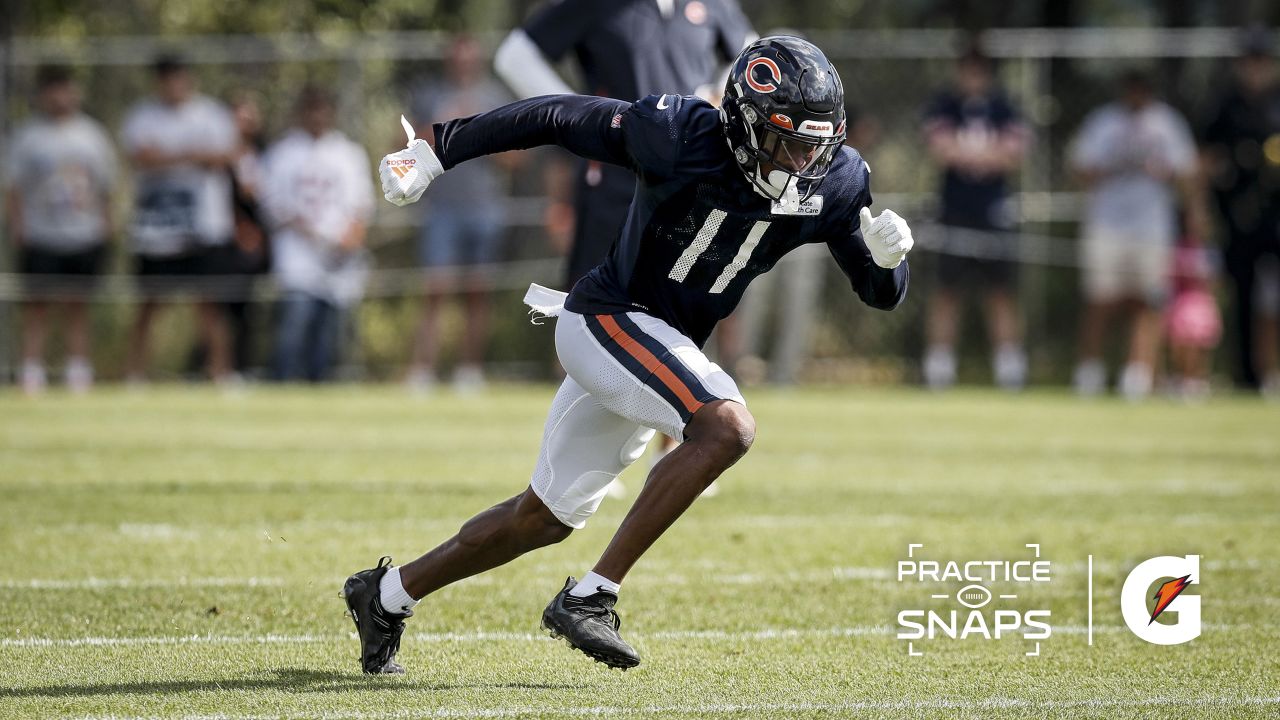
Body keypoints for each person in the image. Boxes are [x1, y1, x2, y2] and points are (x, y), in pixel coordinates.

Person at [346, 36, 914, 674]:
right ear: (747, 124)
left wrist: (891, 261)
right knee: (726, 426)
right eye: (793, 143)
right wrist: (437, 149)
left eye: (819, 143)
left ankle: (386, 596)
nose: (808, 159)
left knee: (542, 519)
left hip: (657, 348)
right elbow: (555, 115)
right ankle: (592, 596)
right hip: (606, 320)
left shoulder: (836, 179)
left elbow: (879, 293)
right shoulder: (677, 135)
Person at [495, 0, 755, 491]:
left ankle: (677, 450)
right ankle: (575, 457)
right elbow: (515, 55)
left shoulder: (713, 6)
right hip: (612, 179)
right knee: (587, 312)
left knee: (684, 311)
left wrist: (719, 96)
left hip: (691, 184)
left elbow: (753, 58)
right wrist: (573, 118)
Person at [1069, 69, 1206, 400]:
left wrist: (1191, 209)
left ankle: (1138, 375)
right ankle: (1089, 372)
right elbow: (1079, 169)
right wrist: (1115, 166)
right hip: (1107, 223)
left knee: (1149, 302)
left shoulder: (1167, 124)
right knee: (1100, 300)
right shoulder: (1103, 123)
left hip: (1152, 225)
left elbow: (1188, 174)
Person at [406, 36, 513, 393]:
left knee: (477, 292)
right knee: (435, 289)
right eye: (457, 58)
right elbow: (406, 150)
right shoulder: (429, 95)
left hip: (485, 207)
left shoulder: (495, 97)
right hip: (441, 208)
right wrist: (442, 125)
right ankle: (422, 370)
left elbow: (516, 159)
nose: (463, 64)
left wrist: (479, 133)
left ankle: (470, 371)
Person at [121, 55, 237, 383]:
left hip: (205, 227)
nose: (174, 86)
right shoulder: (141, 117)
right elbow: (140, 157)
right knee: (148, 306)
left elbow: (225, 156)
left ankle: (220, 373)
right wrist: (192, 155)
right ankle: (135, 374)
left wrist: (169, 156)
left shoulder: (211, 114)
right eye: (166, 79)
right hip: (156, 229)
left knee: (211, 306)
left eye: (179, 77)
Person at [920, 46, 1029, 391]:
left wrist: (968, 154)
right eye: (968, 69)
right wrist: (984, 154)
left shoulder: (1006, 107)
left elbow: (1014, 155)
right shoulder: (944, 104)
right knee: (947, 291)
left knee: (1000, 292)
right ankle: (938, 369)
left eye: (979, 70)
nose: (973, 77)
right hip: (953, 210)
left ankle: (1009, 370)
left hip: (994, 212)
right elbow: (939, 150)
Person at [5, 64, 117, 394]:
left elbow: (107, 187)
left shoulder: (92, 134)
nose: (60, 97)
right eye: (53, 90)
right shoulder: (28, 136)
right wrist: (17, 226)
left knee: (78, 304)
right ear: (42, 94)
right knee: (36, 306)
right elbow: (13, 188)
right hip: (41, 235)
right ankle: (31, 371)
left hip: (84, 235)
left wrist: (107, 224)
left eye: (65, 89)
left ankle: (78, 371)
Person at [262, 86, 374, 382]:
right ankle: (283, 382)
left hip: (337, 256)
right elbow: (273, 205)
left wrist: (347, 239)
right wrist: (303, 227)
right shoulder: (283, 153)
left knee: (329, 334)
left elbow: (360, 206)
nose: (317, 116)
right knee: (294, 324)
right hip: (297, 253)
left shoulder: (348, 153)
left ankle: (319, 386)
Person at [1201, 28, 1280, 393]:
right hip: (1236, 214)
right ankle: (1247, 377)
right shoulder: (1224, 104)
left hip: (1276, 213)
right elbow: (1204, 155)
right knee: (1243, 295)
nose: (1255, 68)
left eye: (1261, 60)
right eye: (1249, 60)